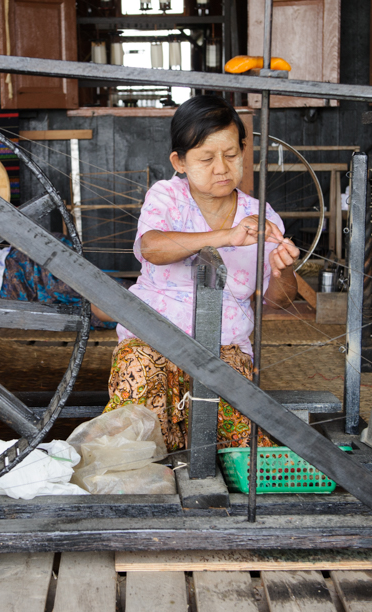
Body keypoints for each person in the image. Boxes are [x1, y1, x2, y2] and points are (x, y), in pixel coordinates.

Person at [102, 95, 300, 452]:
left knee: (239, 443)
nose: (221, 168)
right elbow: (152, 248)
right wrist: (227, 236)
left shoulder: (263, 217)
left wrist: (283, 270)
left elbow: (280, 299)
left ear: (244, 151)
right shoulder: (166, 197)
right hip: (152, 341)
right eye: (206, 159)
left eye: (231, 155)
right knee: (136, 437)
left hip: (226, 350)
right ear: (179, 162)